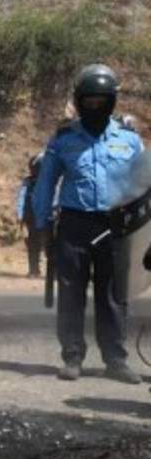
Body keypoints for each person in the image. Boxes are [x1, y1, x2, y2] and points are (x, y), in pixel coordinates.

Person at [32, 63, 143, 384]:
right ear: (80, 101)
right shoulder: (63, 139)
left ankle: (116, 360)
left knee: (113, 295)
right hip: (74, 226)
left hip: (116, 227)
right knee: (71, 293)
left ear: (111, 101)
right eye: (89, 101)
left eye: (101, 101)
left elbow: (143, 186)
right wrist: (41, 224)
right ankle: (72, 356)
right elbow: (45, 184)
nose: (94, 106)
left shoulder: (130, 140)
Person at [15, 153, 45, 278]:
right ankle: (34, 270)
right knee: (33, 243)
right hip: (32, 217)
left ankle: (52, 271)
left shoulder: (50, 181)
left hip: (47, 216)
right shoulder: (28, 182)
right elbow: (21, 198)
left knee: (50, 245)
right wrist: (20, 215)